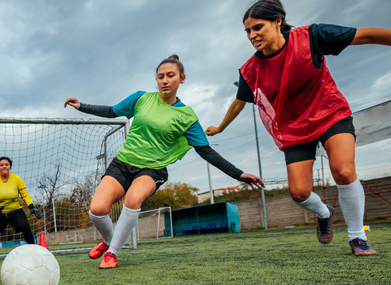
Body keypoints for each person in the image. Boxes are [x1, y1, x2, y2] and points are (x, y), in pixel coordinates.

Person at [205, 0, 391, 256]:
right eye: (247, 30)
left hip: (330, 114)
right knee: (299, 192)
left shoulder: (312, 36)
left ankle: (357, 237)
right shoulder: (250, 70)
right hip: (292, 128)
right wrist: (221, 128)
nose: (251, 35)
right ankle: (325, 213)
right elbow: (240, 101)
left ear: (278, 22)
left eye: (257, 27)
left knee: (344, 171)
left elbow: (367, 35)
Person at [64, 54, 264, 269]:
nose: (165, 80)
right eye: (160, 77)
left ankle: (113, 253)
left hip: (152, 170)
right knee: (96, 210)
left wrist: (238, 174)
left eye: (170, 76)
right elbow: (112, 111)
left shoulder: (187, 116)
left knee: (132, 200)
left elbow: (205, 151)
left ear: (182, 78)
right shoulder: (141, 98)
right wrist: (82, 106)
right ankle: (108, 241)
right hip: (122, 163)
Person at [0, 157, 42, 263]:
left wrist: (31, 206)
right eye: (1, 165)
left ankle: (34, 253)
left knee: (26, 228)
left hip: (15, 211)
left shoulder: (17, 179)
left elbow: (25, 194)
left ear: (10, 167)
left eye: (6, 164)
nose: (4, 166)